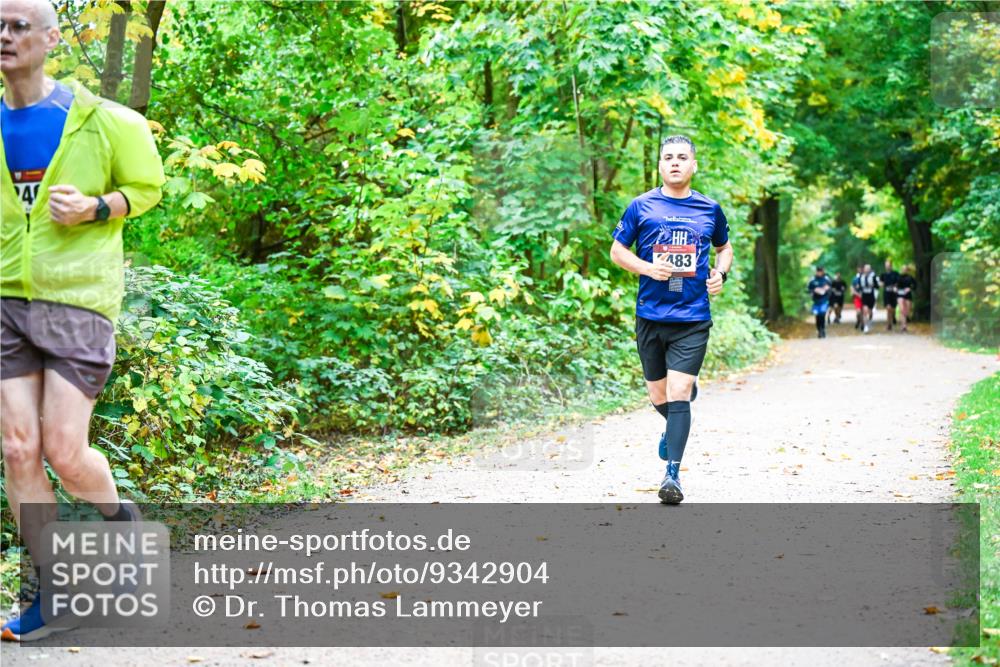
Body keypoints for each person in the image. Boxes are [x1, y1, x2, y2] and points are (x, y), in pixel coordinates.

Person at [1, 0, 165, 641]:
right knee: (18, 449)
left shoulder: (102, 120)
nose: (6, 36)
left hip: (77, 302)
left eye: (19, 25)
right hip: (7, 301)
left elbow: (146, 188)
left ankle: (124, 522)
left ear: (51, 39)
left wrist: (97, 207)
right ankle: (50, 590)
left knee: (65, 451)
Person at [610, 135, 732, 505]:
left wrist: (720, 274)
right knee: (659, 395)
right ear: (660, 165)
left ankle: (672, 475)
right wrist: (648, 268)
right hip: (651, 315)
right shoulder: (641, 206)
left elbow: (723, 248)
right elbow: (617, 251)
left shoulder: (710, 209)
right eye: (668, 157)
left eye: (682, 157)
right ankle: (674, 421)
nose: (675, 163)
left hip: (692, 317)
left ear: (694, 165)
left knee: (679, 393)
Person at [807, 266, 832, 338]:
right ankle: (819, 329)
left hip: (824, 300)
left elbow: (830, 288)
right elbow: (809, 289)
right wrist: (814, 290)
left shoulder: (826, 279)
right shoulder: (813, 280)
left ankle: (822, 329)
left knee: (822, 314)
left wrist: (826, 291)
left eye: (821, 271)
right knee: (817, 316)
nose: (820, 272)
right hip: (816, 301)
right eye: (818, 271)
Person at [856, 263, 879, 334]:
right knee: (865, 310)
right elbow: (859, 286)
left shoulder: (873, 276)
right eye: (866, 268)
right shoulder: (860, 276)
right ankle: (865, 326)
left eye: (868, 268)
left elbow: (877, 286)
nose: (867, 270)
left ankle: (869, 321)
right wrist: (858, 289)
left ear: (870, 269)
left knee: (870, 311)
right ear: (864, 269)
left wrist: (873, 285)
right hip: (864, 295)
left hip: (871, 295)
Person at [880, 259, 900, 331]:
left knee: (893, 309)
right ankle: (889, 324)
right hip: (886, 293)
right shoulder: (883, 275)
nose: (887, 267)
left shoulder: (895, 274)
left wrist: (895, 287)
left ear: (891, 266)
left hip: (894, 293)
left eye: (888, 265)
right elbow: (881, 283)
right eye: (886, 265)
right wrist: (881, 284)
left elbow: (898, 282)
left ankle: (893, 316)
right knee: (888, 308)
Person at [896, 265, 917, 332]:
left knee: (907, 311)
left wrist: (909, 288)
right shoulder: (898, 277)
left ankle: (905, 322)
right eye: (902, 269)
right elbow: (895, 285)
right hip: (900, 294)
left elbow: (915, 286)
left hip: (908, 295)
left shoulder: (910, 278)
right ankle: (903, 326)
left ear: (907, 270)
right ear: (901, 269)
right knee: (902, 309)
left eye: (905, 269)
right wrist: (895, 288)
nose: (904, 270)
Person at [851, 265, 864, 330]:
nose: (860, 270)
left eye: (861, 269)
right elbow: (852, 289)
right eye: (859, 269)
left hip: (864, 297)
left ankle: (862, 324)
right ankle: (859, 321)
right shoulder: (855, 279)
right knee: (858, 311)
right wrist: (858, 294)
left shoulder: (865, 277)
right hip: (857, 297)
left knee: (862, 311)